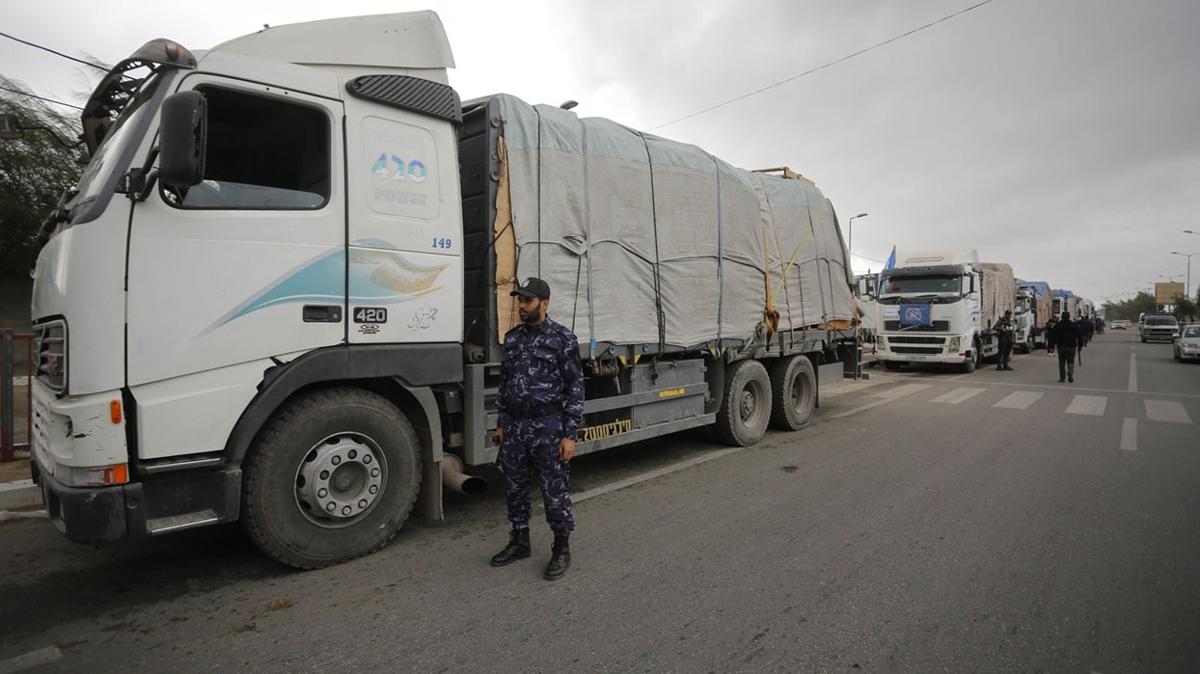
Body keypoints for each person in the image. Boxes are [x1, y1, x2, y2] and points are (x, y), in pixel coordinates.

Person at [490, 277, 585, 581]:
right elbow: (504, 386)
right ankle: (520, 540)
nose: (521, 306)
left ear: (543, 304)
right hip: (517, 426)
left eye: (527, 301)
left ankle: (561, 548)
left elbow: (575, 389)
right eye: (519, 300)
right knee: (514, 486)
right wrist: (502, 424)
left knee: (553, 490)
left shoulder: (562, 339)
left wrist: (569, 435)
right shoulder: (513, 338)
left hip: (548, 426)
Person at [1048, 311, 1083, 383]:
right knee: (1071, 361)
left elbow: (1053, 337)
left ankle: (1062, 378)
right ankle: (1070, 372)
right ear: (1069, 317)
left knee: (1061, 362)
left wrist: (1051, 347)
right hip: (1071, 347)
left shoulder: (1057, 325)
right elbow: (1079, 336)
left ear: (1062, 316)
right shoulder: (1074, 325)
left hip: (1061, 346)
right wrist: (1080, 346)